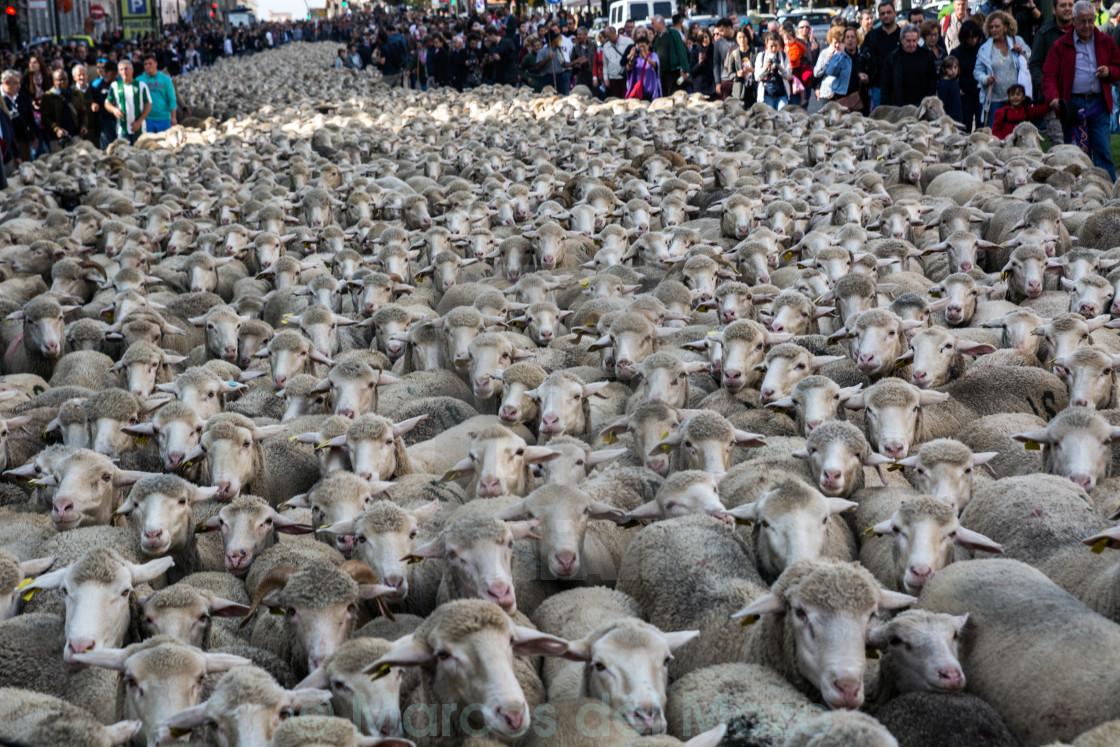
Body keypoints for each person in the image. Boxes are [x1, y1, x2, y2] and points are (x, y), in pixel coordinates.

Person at [1042, 0, 1120, 179]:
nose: (1087, 25)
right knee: (1075, 154)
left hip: (1099, 104)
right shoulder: (1060, 45)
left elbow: (1118, 66)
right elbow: (1048, 75)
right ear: (1074, 21)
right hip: (1073, 106)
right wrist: (1053, 97)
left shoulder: (1105, 41)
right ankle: (1079, 191)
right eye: (1083, 21)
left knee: (1103, 152)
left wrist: (1109, 72)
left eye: (1090, 21)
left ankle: (1108, 193)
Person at [976, 11, 1032, 127]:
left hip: (1015, 99)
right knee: (995, 136)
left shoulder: (1017, 41)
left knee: (1015, 135)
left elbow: (1031, 59)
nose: (994, 30)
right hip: (994, 99)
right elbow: (977, 71)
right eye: (991, 27)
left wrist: (1022, 52)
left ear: (1006, 27)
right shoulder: (985, 48)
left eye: (997, 26)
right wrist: (986, 78)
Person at [1031, 0, 1075, 139]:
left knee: (1081, 144)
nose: (1067, 9)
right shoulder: (1044, 34)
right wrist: (1047, 89)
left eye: (1070, 5)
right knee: (1059, 145)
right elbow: (1034, 64)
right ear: (1054, 9)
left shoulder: (1082, 30)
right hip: (1054, 101)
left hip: (1078, 97)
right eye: (1063, 5)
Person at [881, 24, 939, 106]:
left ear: (918, 39)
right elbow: (886, 85)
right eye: (908, 41)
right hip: (900, 105)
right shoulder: (892, 58)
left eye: (914, 40)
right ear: (901, 40)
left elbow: (932, 79)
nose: (911, 44)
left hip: (921, 103)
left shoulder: (926, 55)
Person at [861, 1, 901, 110]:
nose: (886, 16)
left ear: (895, 13)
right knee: (879, 122)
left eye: (889, 12)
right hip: (878, 86)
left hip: (899, 87)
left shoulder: (902, 35)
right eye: (882, 13)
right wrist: (860, 72)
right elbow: (861, 57)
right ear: (879, 16)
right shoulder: (872, 35)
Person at [103, 59, 150, 146]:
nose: (124, 72)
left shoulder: (141, 85)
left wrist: (139, 121)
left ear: (132, 70)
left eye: (126, 69)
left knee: (139, 154)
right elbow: (107, 103)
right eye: (121, 69)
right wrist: (114, 110)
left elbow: (148, 104)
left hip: (139, 129)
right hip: (122, 129)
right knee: (124, 155)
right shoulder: (115, 86)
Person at [41, 69, 85, 151]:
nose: (62, 82)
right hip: (57, 138)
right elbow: (45, 117)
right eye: (59, 80)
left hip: (75, 134)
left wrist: (83, 125)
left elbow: (82, 112)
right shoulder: (48, 96)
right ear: (54, 81)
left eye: (64, 79)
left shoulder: (75, 94)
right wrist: (56, 129)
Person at [821, 26, 864, 103]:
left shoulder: (862, 56)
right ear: (843, 41)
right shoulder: (839, 56)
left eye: (852, 37)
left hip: (859, 97)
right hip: (842, 96)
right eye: (847, 37)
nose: (850, 39)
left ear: (857, 40)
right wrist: (840, 54)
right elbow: (830, 71)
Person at [955, 21, 985, 130]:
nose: (972, 40)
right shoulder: (957, 52)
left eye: (975, 36)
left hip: (980, 91)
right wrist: (958, 89)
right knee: (965, 125)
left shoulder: (982, 50)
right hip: (965, 93)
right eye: (969, 37)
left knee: (981, 125)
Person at [136, 55, 176, 134]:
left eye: (150, 63)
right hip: (147, 118)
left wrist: (173, 117)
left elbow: (172, 98)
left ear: (155, 64)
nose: (148, 66)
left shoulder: (165, 79)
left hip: (164, 118)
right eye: (145, 64)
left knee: (164, 144)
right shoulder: (139, 80)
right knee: (149, 144)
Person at [1, 69, 33, 162]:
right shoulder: (1, 101)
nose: (19, 86)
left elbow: (28, 114)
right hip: (8, 149)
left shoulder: (20, 95)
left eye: (19, 83)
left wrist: (33, 135)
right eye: (16, 83)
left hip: (24, 141)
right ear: (6, 82)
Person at [651, 15, 688, 96]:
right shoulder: (656, 38)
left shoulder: (673, 33)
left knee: (674, 96)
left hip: (673, 72)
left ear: (660, 23)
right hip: (661, 73)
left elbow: (681, 51)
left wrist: (684, 69)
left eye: (653, 23)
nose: (652, 26)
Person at [755, 31, 793, 109]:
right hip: (767, 94)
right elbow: (757, 77)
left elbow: (789, 76)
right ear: (766, 44)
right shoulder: (761, 56)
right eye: (771, 46)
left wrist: (780, 67)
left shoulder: (784, 56)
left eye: (776, 46)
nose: (774, 49)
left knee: (782, 115)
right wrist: (765, 67)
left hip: (781, 93)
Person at [723, 27, 754, 106]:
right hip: (739, 92)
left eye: (744, 37)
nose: (742, 40)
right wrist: (738, 75)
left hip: (754, 91)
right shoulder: (734, 54)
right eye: (739, 37)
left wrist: (752, 70)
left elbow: (760, 70)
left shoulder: (755, 52)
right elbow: (730, 74)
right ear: (736, 39)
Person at [625, 36, 661, 100]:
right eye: (640, 47)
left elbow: (656, 65)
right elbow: (628, 68)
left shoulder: (653, 55)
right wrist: (632, 56)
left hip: (651, 91)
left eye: (643, 46)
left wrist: (646, 57)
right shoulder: (636, 57)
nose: (642, 49)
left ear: (648, 46)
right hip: (638, 91)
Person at [601, 26, 633, 98]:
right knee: (615, 100)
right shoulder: (606, 46)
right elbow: (605, 64)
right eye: (606, 37)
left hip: (625, 77)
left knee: (626, 98)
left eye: (608, 36)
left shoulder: (628, 42)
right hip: (613, 78)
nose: (607, 39)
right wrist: (606, 78)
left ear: (614, 33)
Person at [536, 29, 570, 95]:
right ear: (553, 40)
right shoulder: (542, 51)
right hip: (547, 78)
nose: (559, 40)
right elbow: (537, 67)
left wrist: (576, 61)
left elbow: (564, 64)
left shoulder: (559, 50)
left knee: (561, 96)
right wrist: (547, 59)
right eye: (557, 38)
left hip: (559, 77)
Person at [713, 18, 738, 98]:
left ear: (729, 28)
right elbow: (716, 64)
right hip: (725, 80)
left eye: (721, 30)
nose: (719, 33)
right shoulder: (718, 43)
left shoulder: (740, 38)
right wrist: (717, 83)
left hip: (739, 79)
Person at [690, 28, 717, 97]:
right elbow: (692, 71)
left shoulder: (715, 49)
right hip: (700, 87)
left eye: (706, 37)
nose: (704, 40)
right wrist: (699, 63)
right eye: (702, 38)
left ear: (709, 37)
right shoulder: (695, 51)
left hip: (713, 86)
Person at [939, 55, 966, 122]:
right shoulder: (943, 83)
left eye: (955, 67)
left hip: (958, 113)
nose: (953, 70)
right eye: (950, 68)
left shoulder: (954, 80)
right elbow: (942, 102)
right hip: (950, 116)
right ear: (944, 69)